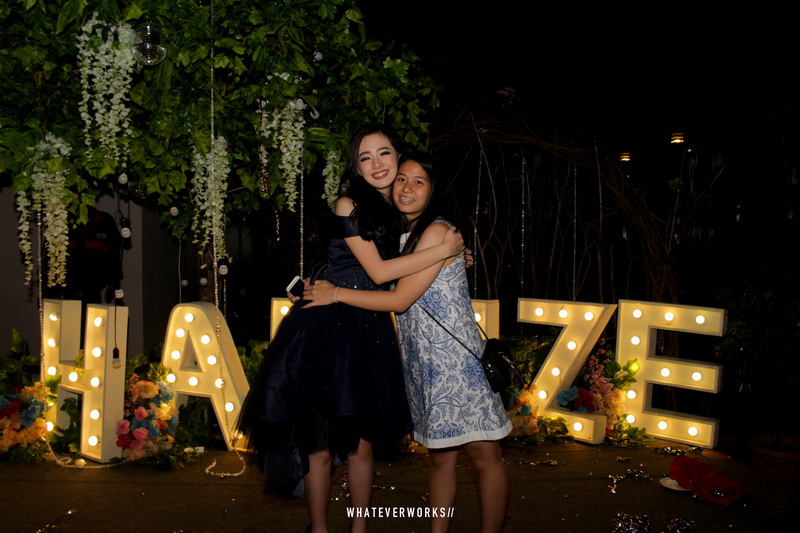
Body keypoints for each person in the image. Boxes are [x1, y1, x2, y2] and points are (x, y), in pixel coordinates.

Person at [236, 127, 465, 533]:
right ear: (356, 167)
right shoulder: (348, 203)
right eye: (365, 157)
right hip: (328, 326)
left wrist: (452, 256)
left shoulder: (402, 209)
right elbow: (378, 272)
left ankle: (359, 528)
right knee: (320, 443)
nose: (377, 164)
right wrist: (443, 250)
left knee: (362, 444)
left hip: (370, 326)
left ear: (398, 157)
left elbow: (404, 265)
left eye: (384, 153)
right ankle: (320, 528)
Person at [304, 153, 512, 533]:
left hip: (455, 363)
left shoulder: (435, 232)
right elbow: (359, 265)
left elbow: (399, 299)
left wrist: (335, 294)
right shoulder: (403, 234)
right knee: (441, 458)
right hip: (423, 361)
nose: (408, 188)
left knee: (485, 457)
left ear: (433, 191)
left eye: (419, 181)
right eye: (402, 179)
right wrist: (317, 283)